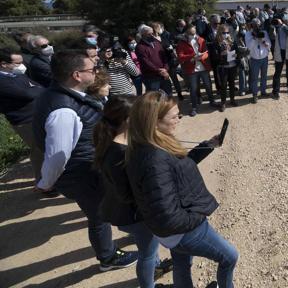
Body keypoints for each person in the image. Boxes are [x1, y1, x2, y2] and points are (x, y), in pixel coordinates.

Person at [32, 50, 138, 270]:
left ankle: (129, 235)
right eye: (92, 69)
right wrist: (46, 183)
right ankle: (108, 258)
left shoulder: (65, 95)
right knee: (99, 216)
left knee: (106, 208)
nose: (97, 72)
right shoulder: (63, 110)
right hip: (82, 175)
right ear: (77, 75)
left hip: (89, 169)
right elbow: (57, 156)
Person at [125, 92, 238, 288]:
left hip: (170, 232)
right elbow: (169, 216)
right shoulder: (154, 159)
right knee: (229, 257)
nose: (179, 119)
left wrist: (208, 145)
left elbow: (179, 165)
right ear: (154, 121)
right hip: (182, 231)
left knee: (182, 262)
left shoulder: (149, 143)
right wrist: (199, 214)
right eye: (174, 116)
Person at [94, 95, 172, 288]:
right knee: (146, 253)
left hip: (132, 212)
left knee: (149, 249)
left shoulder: (119, 142)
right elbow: (127, 193)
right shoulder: (120, 152)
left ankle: (157, 266)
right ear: (129, 120)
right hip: (136, 216)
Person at [0, 48, 49, 191]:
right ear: (4, 64)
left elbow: (38, 88)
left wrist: (34, 90)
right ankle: (43, 184)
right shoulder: (2, 81)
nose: (22, 66)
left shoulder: (15, 75)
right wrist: (33, 90)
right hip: (24, 121)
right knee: (38, 149)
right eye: (17, 63)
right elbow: (27, 93)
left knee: (46, 146)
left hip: (37, 115)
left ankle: (51, 177)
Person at [176, 25, 218, 116]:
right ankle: (194, 107)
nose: (194, 29)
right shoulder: (181, 43)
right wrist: (192, 57)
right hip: (191, 69)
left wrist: (201, 56)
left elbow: (206, 53)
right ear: (187, 30)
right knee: (193, 89)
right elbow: (180, 57)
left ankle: (212, 101)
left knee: (208, 86)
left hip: (203, 67)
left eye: (195, 28)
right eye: (192, 28)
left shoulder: (201, 39)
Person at [135, 24, 172, 96]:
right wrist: (159, 70)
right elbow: (145, 62)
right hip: (151, 77)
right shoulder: (140, 47)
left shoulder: (157, 43)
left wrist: (165, 69)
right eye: (149, 34)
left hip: (164, 74)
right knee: (154, 99)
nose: (152, 35)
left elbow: (164, 56)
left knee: (169, 95)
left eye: (153, 33)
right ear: (143, 35)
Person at [151, 22, 184, 100]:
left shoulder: (164, 36)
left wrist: (173, 53)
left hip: (169, 62)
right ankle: (166, 97)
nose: (161, 29)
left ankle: (179, 94)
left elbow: (170, 47)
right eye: (159, 27)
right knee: (164, 82)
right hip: (160, 64)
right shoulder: (152, 40)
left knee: (174, 78)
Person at [272, 15, 288, 98]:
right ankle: (275, 90)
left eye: (285, 20)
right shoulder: (278, 26)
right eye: (283, 20)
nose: (283, 21)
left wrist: (282, 25)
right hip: (280, 51)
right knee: (278, 71)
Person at [245, 19, 271, 104]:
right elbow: (249, 47)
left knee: (264, 76)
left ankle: (263, 91)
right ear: (252, 25)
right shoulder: (248, 34)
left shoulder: (264, 33)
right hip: (254, 59)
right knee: (254, 78)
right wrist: (254, 38)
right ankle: (255, 94)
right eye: (255, 25)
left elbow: (269, 44)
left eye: (258, 25)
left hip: (264, 58)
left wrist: (264, 41)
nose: (257, 27)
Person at [215, 25, 238, 111]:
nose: (226, 34)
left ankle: (232, 100)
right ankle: (223, 103)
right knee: (223, 86)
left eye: (227, 32)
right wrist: (221, 54)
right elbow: (213, 56)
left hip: (232, 66)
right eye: (224, 33)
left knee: (232, 84)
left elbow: (237, 51)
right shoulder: (216, 42)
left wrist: (236, 55)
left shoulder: (232, 41)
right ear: (220, 33)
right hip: (223, 67)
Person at [235, 26, 250, 96]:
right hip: (241, 60)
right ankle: (242, 90)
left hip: (248, 59)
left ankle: (247, 88)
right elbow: (239, 49)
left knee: (248, 75)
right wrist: (247, 48)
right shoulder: (236, 40)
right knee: (242, 76)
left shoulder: (247, 38)